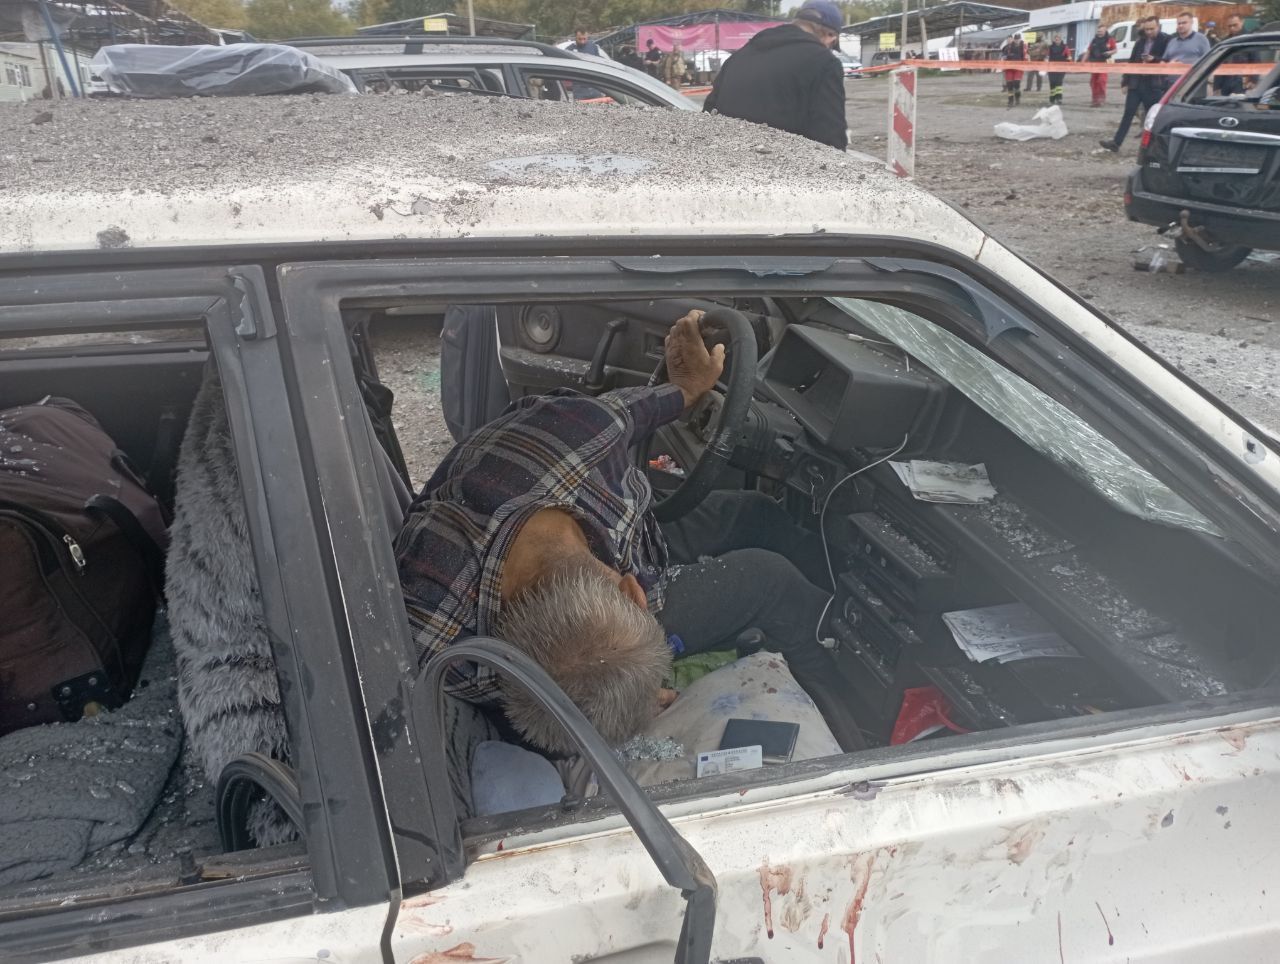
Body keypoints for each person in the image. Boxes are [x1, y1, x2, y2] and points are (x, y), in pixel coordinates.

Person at [396, 311, 866, 756]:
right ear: (637, 592)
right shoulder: (443, 646)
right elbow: (545, 710)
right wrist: (628, 700)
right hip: (594, 580)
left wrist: (685, 388)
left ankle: (837, 590)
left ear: (630, 588)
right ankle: (854, 701)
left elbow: (633, 411)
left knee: (756, 513)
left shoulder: (581, 434)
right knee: (770, 579)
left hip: (627, 531)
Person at [702, 0, 847, 150]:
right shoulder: (825, 63)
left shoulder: (738, 57)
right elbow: (830, 139)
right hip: (783, 162)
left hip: (722, 158)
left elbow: (706, 118)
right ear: (831, 36)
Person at [1099, 17, 1171, 151]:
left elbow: (1168, 60)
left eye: (1152, 29)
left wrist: (1154, 59)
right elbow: (1131, 62)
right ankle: (1116, 143)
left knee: (1154, 117)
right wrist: (1125, 81)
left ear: (1158, 27)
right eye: (1147, 29)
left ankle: (1157, 147)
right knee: (1128, 113)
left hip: (1154, 85)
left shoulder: (1166, 40)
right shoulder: (1140, 41)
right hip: (1136, 84)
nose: (1148, 32)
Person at [1213, 15, 1257, 96]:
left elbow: (1255, 61)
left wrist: (1253, 80)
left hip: (1243, 81)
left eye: (1235, 25)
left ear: (1242, 22)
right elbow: (1220, 64)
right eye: (1229, 26)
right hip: (1226, 81)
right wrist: (1216, 87)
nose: (1232, 28)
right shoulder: (1226, 42)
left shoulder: (1250, 39)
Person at [1085, 24, 1117, 107]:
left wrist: (1109, 52)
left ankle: (1101, 99)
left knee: (1101, 81)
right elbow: (1088, 51)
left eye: (1101, 31)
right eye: (1098, 31)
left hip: (1104, 63)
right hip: (1094, 64)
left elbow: (1115, 50)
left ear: (1105, 31)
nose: (1099, 33)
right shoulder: (1094, 40)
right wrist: (1082, 62)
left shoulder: (1110, 40)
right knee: (1093, 82)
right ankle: (1095, 100)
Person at [1003, 33, 1028, 108]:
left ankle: (1017, 98)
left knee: (1016, 83)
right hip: (1009, 68)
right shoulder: (1008, 47)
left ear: (1020, 39)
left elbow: (1026, 56)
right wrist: (1006, 57)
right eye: (1016, 39)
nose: (1017, 40)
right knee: (1009, 85)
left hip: (1018, 68)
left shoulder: (1024, 46)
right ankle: (1010, 100)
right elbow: (1003, 56)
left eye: (1018, 39)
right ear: (1014, 39)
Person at [1047, 33, 1071, 104]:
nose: (1057, 39)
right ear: (1054, 39)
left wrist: (1069, 61)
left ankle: (1059, 98)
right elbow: (1047, 57)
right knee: (1052, 82)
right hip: (1051, 68)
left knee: (1059, 82)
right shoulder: (1050, 47)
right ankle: (1052, 98)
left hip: (1061, 68)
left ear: (1061, 39)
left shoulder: (1065, 47)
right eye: (1056, 38)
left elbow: (1069, 56)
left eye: (1058, 38)